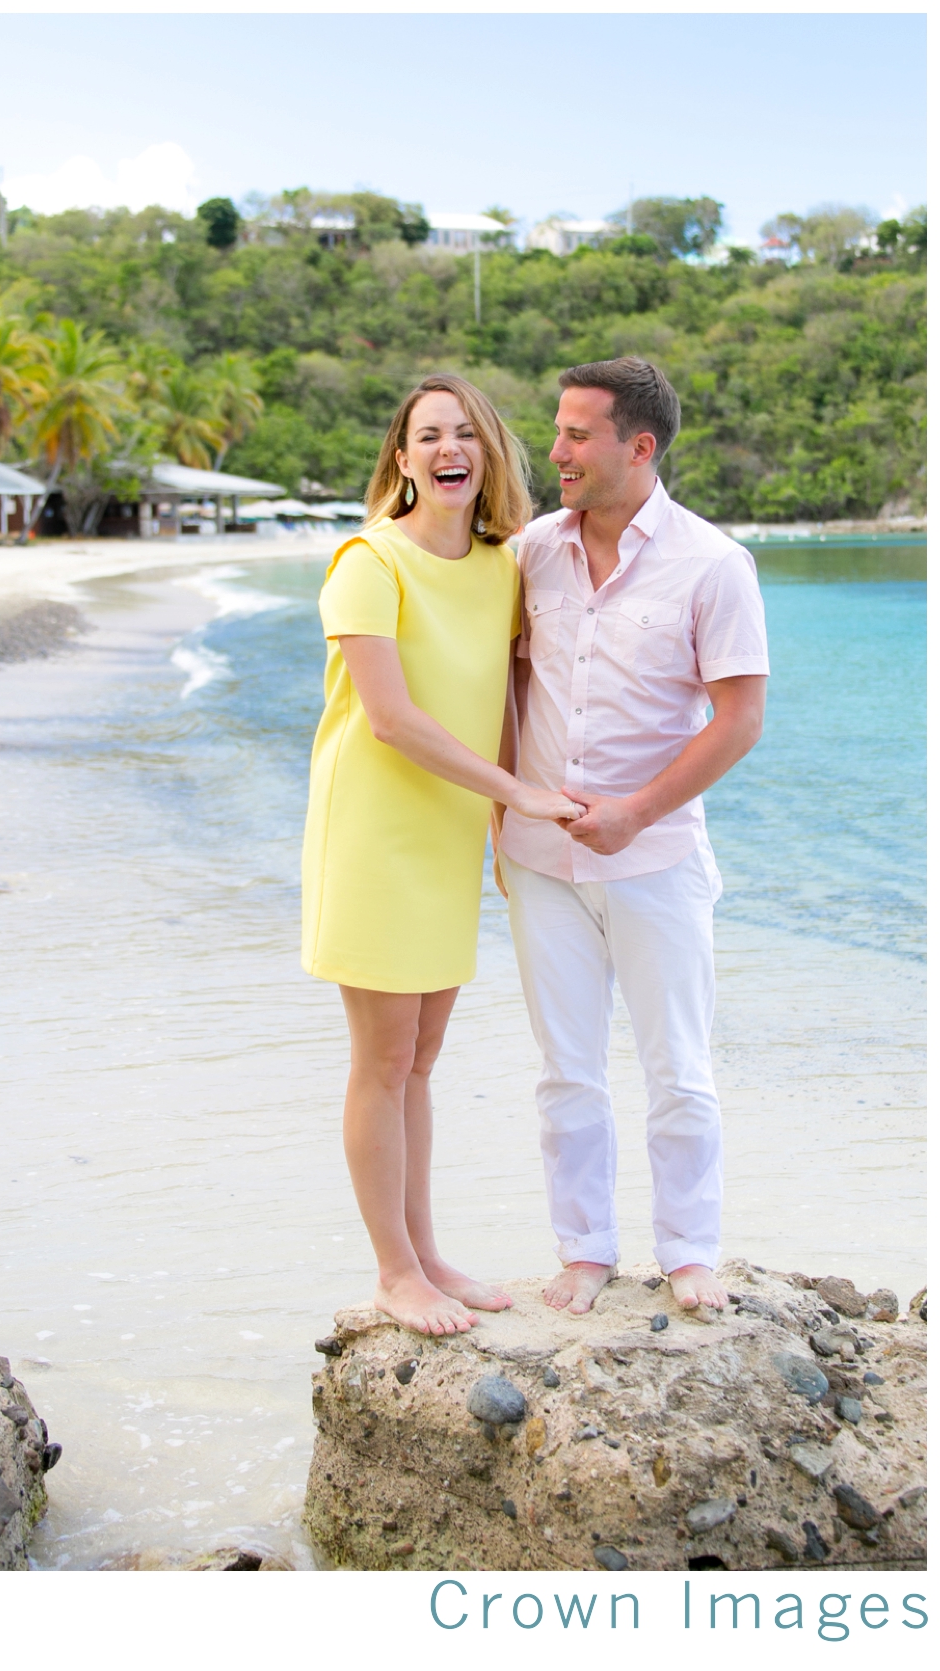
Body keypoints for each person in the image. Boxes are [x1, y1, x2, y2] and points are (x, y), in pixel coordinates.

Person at [301, 375, 586, 1335]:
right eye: (427, 435)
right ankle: (392, 1271)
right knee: (381, 1058)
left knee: (420, 1060)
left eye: (465, 433)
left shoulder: (501, 567)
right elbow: (390, 719)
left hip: (453, 836)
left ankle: (424, 1254)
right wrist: (514, 794)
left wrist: (507, 829)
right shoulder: (366, 561)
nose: (446, 448)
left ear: (488, 452)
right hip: (374, 836)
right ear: (401, 458)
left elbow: (500, 701)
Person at [501, 357, 768, 1318]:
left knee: (678, 1068)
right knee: (564, 1068)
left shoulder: (713, 564)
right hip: (538, 864)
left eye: (577, 434)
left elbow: (738, 719)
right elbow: (500, 682)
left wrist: (635, 812)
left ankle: (690, 1250)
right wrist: (497, 807)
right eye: (558, 429)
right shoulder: (530, 550)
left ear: (637, 447)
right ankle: (583, 1250)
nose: (557, 450)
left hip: (655, 860)